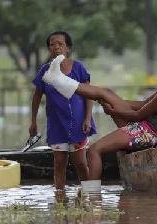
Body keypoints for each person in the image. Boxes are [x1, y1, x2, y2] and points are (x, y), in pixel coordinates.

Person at [41, 50, 157, 180]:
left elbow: (137, 115)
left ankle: (91, 197)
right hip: (144, 126)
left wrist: (113, 111)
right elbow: (143, 104)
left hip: (148, 133)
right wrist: (114, 99)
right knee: (106, 93)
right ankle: (57, 80)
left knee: (94, 150)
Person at [30, 31, 95, 192]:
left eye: (60, 44)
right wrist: (33, 121)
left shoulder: (78, 68)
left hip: (78, 122)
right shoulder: (45, 71)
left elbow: (89, 95)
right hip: (57, 123)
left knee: (81, 163)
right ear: (49, 49)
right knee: (59, 163)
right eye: (52, 44)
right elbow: (37, 96)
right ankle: (59, 198)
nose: (56, 47)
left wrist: (87, 118)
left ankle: (90, 197)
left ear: (68, 48)